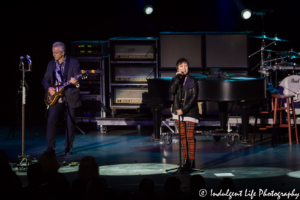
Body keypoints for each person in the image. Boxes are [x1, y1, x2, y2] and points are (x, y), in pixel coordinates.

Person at [42, 41, 81, 155]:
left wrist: (76, 82)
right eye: (53, 52)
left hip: (70, 95)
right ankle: (50, 148)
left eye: (56, 53)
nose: (53, 54)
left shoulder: (73, 62)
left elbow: (79, 80)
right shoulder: (51, 64)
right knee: (51, 120)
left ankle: (68, 147)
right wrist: (49, 88)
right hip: (55, 96)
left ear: (63, 53)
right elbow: (45, 80)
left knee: (70, 123)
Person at [169, 58, 199, 171]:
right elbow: (171, 91)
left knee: (189, 136)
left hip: (190, 112)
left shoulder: (193, 80)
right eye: (181, 66)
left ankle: (192, 161)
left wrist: (184, 109)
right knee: (182, 137)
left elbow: (194, 98)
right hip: (178, 112)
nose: (184, 68)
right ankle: (185, 161)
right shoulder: (175, 80)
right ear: (177, 68)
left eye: (185, 66)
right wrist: (177, 79)